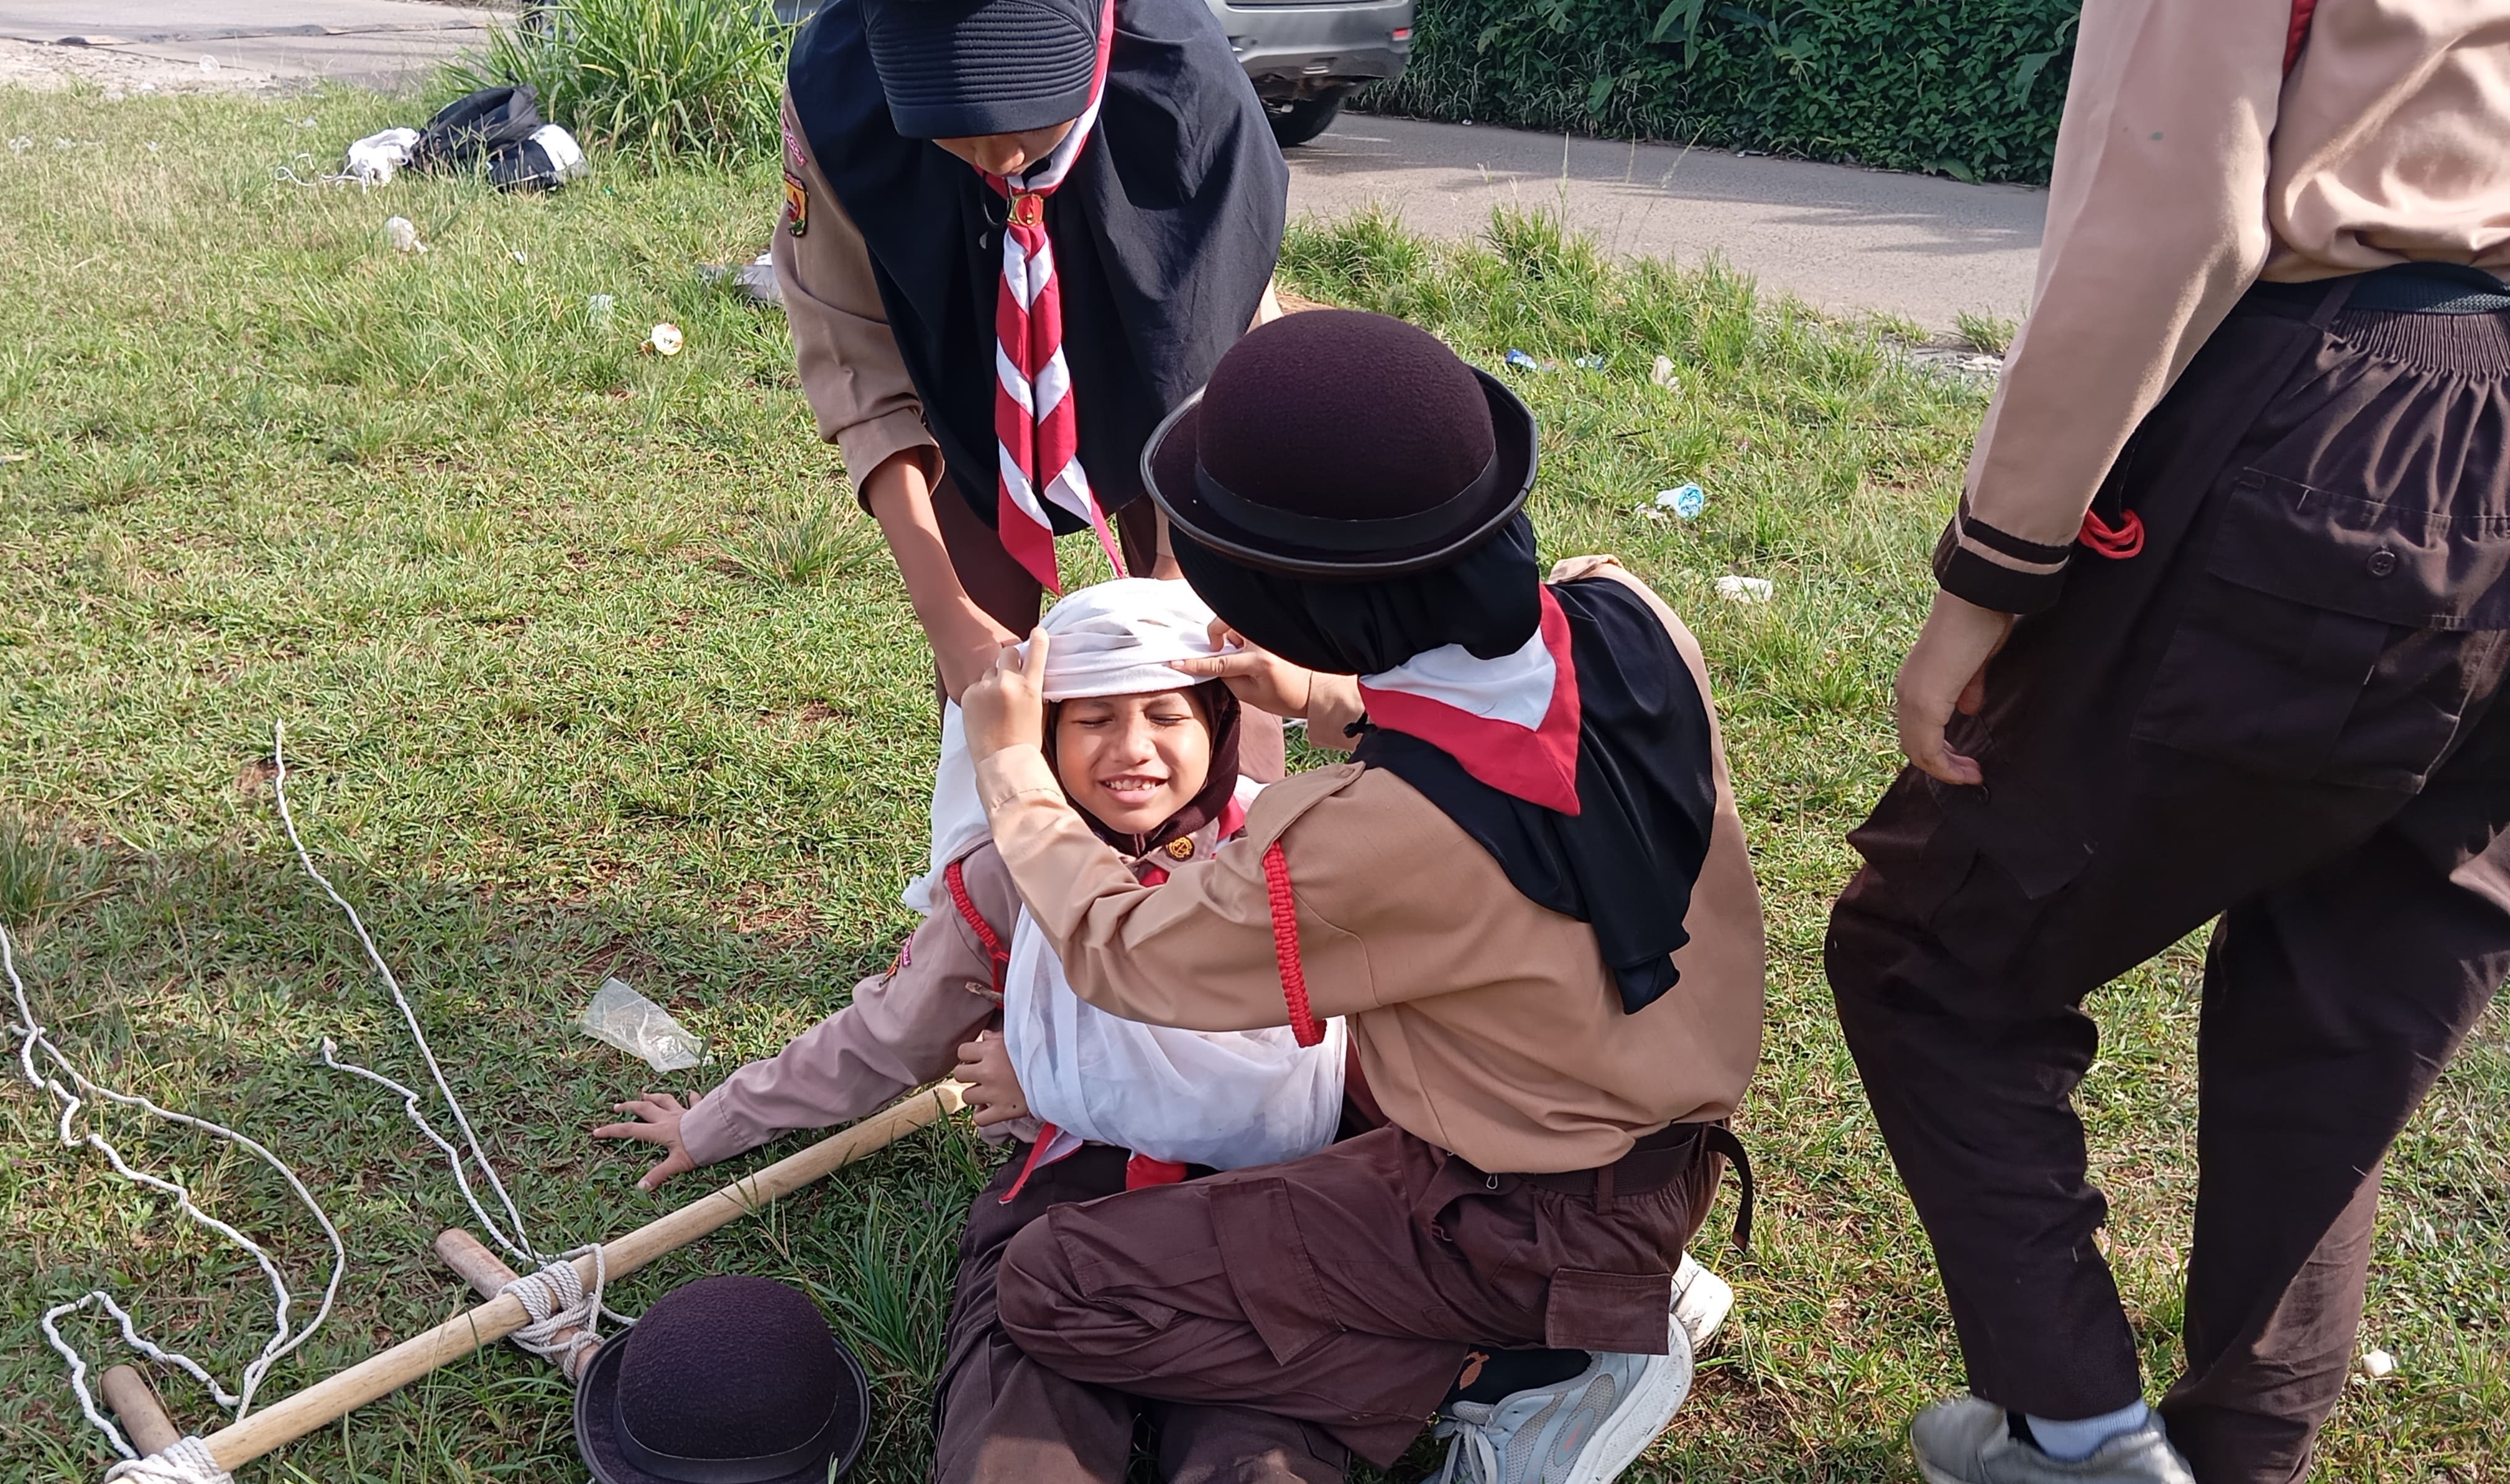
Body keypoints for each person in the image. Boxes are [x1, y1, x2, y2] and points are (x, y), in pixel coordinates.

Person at [1823, 1, 2510, 1480]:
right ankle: (2225, 1460)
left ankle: (2077, 1441)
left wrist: (1985, 576)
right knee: (2340, 1023)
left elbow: (2165, 207)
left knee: (1927, 955)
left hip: (2345, 428)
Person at [956, 310, 1766, 1484]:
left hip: (1505, 1211)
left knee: (1052, 1283)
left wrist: (1012, 768)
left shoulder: (1356, 842)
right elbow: (1514, 750)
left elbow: (1121, 945)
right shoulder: (1627, 612)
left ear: (1292, 599)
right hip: (1646, 1151)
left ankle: (1530, 1362)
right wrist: (1329, 695)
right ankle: (1601, 1291)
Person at [595, 579, 1351, 1482]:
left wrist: (1046, 1073)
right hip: (1078, 1192)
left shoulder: (1285, 848)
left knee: (1261, 1446)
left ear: (1220, 725)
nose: (1134, 749)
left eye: (1166, 714)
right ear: (1043, 736)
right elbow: (890, 1033)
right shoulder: (1006, 878)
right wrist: (713, 1120)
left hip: (1261, 1194)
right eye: (1094, 718)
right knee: (1020, 1418)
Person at [773, 0, 1287, 734]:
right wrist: (949, 617)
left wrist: (1184, 584)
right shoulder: (837, 99)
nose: (999, 158)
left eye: (1026, 111)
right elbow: (852, 353)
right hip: (965, 372)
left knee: (1215, 670)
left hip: (1173, 381)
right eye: (950, 123)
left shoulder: (1185, 80)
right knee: (985, 710)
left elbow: (1222, 354)